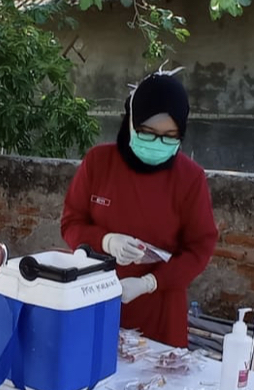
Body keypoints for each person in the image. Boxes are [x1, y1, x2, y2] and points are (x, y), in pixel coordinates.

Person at [60, 70, 218, 347]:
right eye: (148, 132)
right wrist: (106, 241)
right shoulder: (99, 163)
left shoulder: (189, 177)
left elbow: (199, 248)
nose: (158, 143)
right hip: (94, 296)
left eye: (170, 136)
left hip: (160, 309)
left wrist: (149, 283)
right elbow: (71, 223)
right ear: (130, 122)